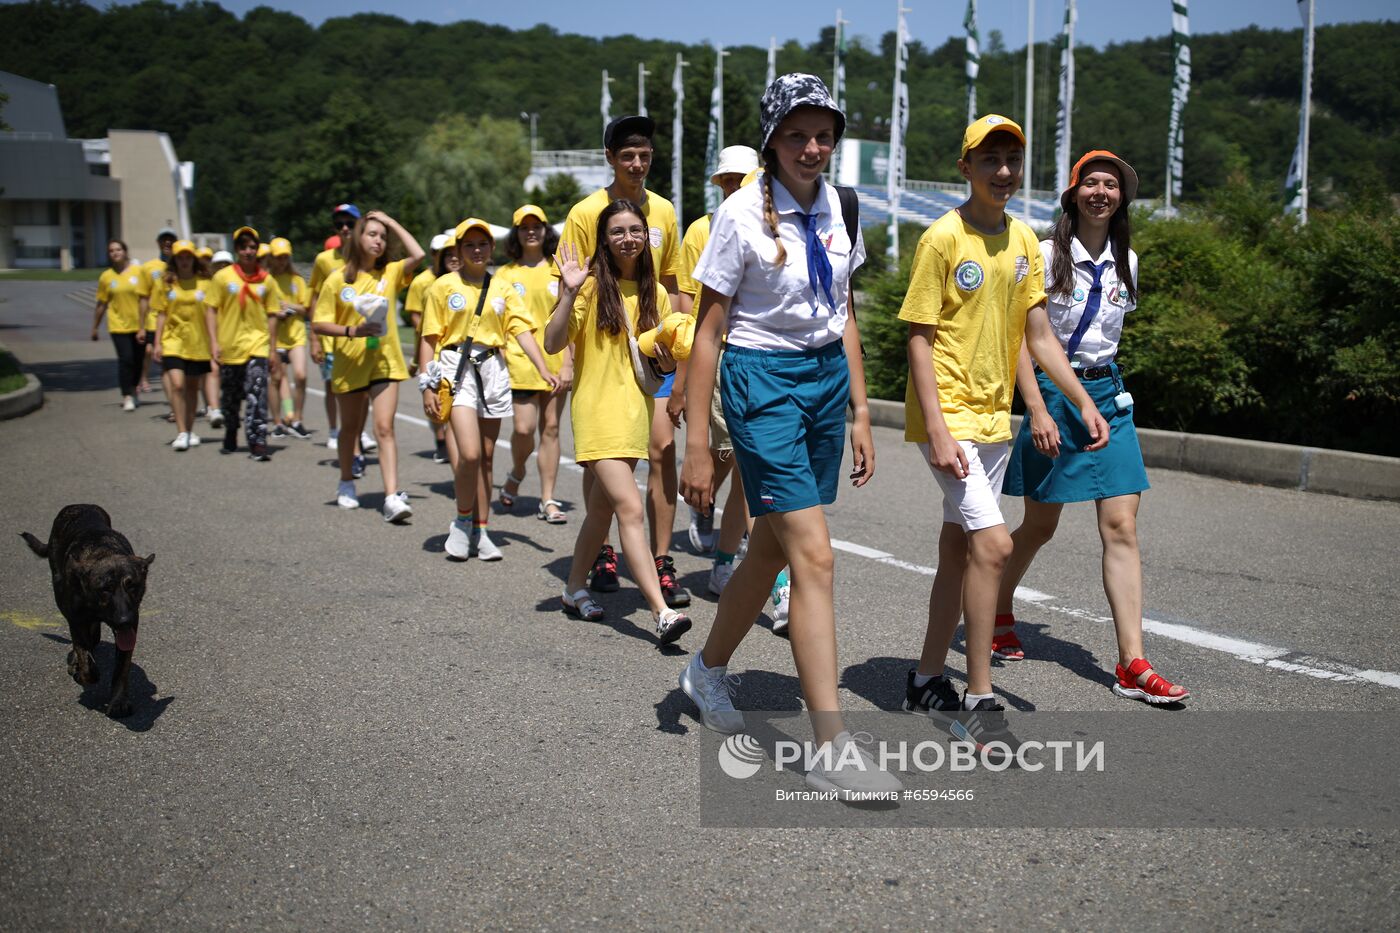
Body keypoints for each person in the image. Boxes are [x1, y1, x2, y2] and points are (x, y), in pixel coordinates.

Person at [677, 74, 897, 796]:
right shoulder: (738, 215)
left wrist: (861, 410)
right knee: (815, 557)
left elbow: (846, 311)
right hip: (761, 383)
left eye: (823, 134)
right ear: (771, 139)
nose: (812, 147)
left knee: (770, 547)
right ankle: (833, 745)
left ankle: (706, 671)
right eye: (797, 134)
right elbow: (708, 334)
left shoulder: (844, 206)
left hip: (826, 380)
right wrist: (700, 445)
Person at [898, 115, 1110, 753]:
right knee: (992, 547)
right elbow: (918, 335)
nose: (1003, 171)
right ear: (966, 168)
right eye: (989, 159)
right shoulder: (942, 238)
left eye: (1013, 159)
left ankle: (926, 678)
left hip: (995, 419)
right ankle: (980, 697)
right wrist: (935, 428)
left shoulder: (1023, 239)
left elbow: (1035, 334)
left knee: (958, 552)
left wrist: (1070, 402)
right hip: (950, 418)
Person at [994, 150, 1188, 704]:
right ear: (1073, 193)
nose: (1101, 192)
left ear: (1122, 199)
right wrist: (1035, 407)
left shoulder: (1130, 260)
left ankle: (1133, 663)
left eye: (1112, 185)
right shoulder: (1043, 253)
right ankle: (994, 604)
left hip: (1110, 393)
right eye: (1091, 183)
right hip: (1055, 394)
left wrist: (1098, 399)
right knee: (1040, 525)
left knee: (1122, 526)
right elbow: (1022, 339)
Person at [544, 199, 691, 642]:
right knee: (629, 508)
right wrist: (568, 292)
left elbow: (664, 359)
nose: (628, 238)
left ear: (646, 236)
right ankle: (661, 611)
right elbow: (553, 342)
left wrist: (668, 361)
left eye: (635, 230)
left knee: (602, 510)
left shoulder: (657, 294)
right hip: (596, 411)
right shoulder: (589, 288)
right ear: (604, 242)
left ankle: (572, 588)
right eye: (617, 231)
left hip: (635, 412)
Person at [558, 115, 686, 607]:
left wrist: (680, 359)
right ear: (610, 158)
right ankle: (605, 553)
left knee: (660, 452)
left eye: (645, 155)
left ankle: (659, 559)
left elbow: (676, 287)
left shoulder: (665, 212)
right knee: (608, 472)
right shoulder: (585, 211)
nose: (637, 163)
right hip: (602, 367)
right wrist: (569, 362)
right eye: (627, 155)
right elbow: (569, 291)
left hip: (652, 361)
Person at [675, 146, 760, 598]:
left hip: (763, 361)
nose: (732, 187)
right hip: (722, 356)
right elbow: (690, 307)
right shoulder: (701, 231)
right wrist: (685, 378)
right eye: (726, 180)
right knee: (738, 461)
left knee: (742, 465)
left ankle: (726, 560)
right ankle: (774, 581)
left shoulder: (772, 224)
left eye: (740, 179)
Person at [418, 218, 521, 560]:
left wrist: (547, 365)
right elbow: (429, 337)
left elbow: (521, 332)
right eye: (469, 245)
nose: (477, 250)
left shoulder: (502, 286)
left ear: (492, 249)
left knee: (488, 458)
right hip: (454, 369)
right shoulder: (443, 286)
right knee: (471, 454)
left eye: (482, 244)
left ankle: (483, 528)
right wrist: (427, 384)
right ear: (458, 251)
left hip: (493, 370)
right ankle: (462, 521)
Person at [310, 210, 424, 520]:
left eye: (382, 237)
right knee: (350, 430)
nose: (378, 240)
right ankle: (346, 481)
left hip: (384, 363)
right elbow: (319, 323)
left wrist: (391, 222)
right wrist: (353, 332)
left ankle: (391, 496)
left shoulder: (390, 273)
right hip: (349, 362)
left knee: (384, 428)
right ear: (358, 238)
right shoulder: (338, 279)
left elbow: (418, 253)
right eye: (372, 234)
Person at [498, 204, 572, 525]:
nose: (531, 231)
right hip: (519, 362)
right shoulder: (505, 274)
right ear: (516, 233)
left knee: (552, 429)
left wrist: (569, 363)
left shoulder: (558, 269)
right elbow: (497, 321)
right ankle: (517, 470)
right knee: (523, 428)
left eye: (536, 225)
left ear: (545, 230)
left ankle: (547, 499)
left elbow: (571, 317)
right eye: (524, 226)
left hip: (557, 361)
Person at [203, 226, 284, 461]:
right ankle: (231, 428)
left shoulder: (266, 281)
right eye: (243, 247)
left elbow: (272, 315)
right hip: (230, 346)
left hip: (256, 344)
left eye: (252, 247)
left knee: (257, 392)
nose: (248, 251)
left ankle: (257, 440)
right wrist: (214, 342)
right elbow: (211, 309)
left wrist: (272, 349)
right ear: (237, 250)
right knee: (230, 396)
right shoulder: (223, 277)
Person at [308, 203, 375, 456]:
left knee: (366, 388)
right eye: (340, 224)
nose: (344, 228)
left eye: (349, 223)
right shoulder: (324, 260)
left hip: (367, 335)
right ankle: (336, 429)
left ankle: (359, 430)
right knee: (333, 386)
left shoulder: (369, 256)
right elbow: (314, 298)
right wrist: (314, 339)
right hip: (334, 338)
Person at [150, 239, 212, 450]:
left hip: (198, 341)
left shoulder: (205, 283)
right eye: (180, 258)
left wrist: (215, 342)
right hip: (173, 340)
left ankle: (190, 428)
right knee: (177, 384)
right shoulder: (166, 283)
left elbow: (213, 314)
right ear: (174, 260)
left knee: (193, 387)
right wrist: (157, 342)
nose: (184, 261)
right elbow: (161, 314)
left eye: (188, 257)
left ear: (194, 259)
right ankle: (181, 431)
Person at [406, 231, 455, 464]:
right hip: (430, 344)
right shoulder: (422, 282)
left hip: (453, 349)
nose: (439, 256)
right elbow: (414, 313)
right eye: (436, 252)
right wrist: (427, 332)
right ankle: (440, 440)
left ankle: (453, 443)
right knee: (435, 398)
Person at [91, 238, 150, 411]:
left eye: (118, 249)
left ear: (125, 252)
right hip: (118, 325)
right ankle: (127, 396)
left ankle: (134, 390)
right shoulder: (106, 277)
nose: (115, 253)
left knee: (138, 360)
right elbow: (101, 303)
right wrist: (95, 327)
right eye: (111, 251)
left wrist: (143, 325)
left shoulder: (138, 272)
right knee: (126, 359)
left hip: (138, 325)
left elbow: (145, 298)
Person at [265, 237, 314, 440]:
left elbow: (306, 308)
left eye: (285, 257)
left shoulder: (297, 280)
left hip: (295, 335)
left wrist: (291, 308)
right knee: (277, 378)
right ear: (271, 258)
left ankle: (297, 419)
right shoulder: (267, 280)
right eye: (278, 257)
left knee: (301, 375)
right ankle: (279, 421)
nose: (282, 261)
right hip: (275, 337)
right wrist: (277, 312)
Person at [140, 227, 178, 402]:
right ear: (159, 243)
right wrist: (140, 325)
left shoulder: (183, 266)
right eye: (164, 239)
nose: (168, 243)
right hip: (155, 319)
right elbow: (144, 297)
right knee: (158, 359)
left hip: (178, 322)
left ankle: (178, 401)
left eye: (171, 239)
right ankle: (173, 403)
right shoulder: (149, 268)